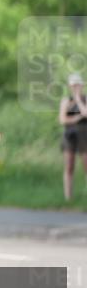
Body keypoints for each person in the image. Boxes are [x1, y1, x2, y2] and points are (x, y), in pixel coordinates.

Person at [60, 72, 87, 201]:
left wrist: (78, 100)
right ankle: (68, 197)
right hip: (70, 135)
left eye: (78, 85)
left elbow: (86, 113)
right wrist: (76, 118)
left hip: (84, 135)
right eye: (73, 85)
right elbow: (62, 119)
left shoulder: (85, 99)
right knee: (69, 165)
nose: (75, 87)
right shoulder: (66, 100)